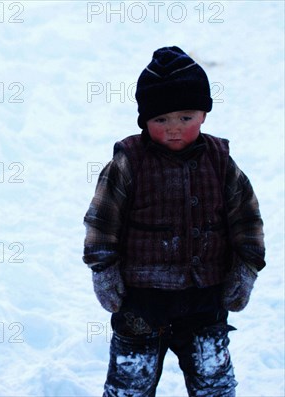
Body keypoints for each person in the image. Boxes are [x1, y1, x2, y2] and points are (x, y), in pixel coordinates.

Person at [83, 46, 265, 396]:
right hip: (141, 302)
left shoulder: (220, 162)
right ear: (144, 120)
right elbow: (101, 222)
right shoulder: (128, 163)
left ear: (204, 115)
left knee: (214, 384)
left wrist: (246, 268)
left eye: (186, 117)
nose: (173, 129)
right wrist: (103, 271)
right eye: (160, 120)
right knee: (130, 385)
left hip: (205, 300)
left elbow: (247, 218)